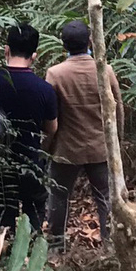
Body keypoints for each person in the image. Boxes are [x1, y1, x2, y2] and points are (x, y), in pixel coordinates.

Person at [0, 22, 57, 232]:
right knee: (34, 224)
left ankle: (2, 259)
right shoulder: (44, 89)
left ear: (6, 50)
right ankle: (33, 259)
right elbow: (52, 129)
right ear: (34, 56)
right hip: (31, 165)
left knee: (2, 227)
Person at [44, 19, 122, 248]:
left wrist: (46, 146)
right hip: (101, 146)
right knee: (105, 197)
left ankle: (57, 245)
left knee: (59, 196)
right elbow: (118, 108)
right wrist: (117, 142)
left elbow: (50, 116)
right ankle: (110, 246)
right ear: (90, 41)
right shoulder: (105, 70)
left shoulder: (55, 74)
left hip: (67, 149)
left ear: (63, 45)